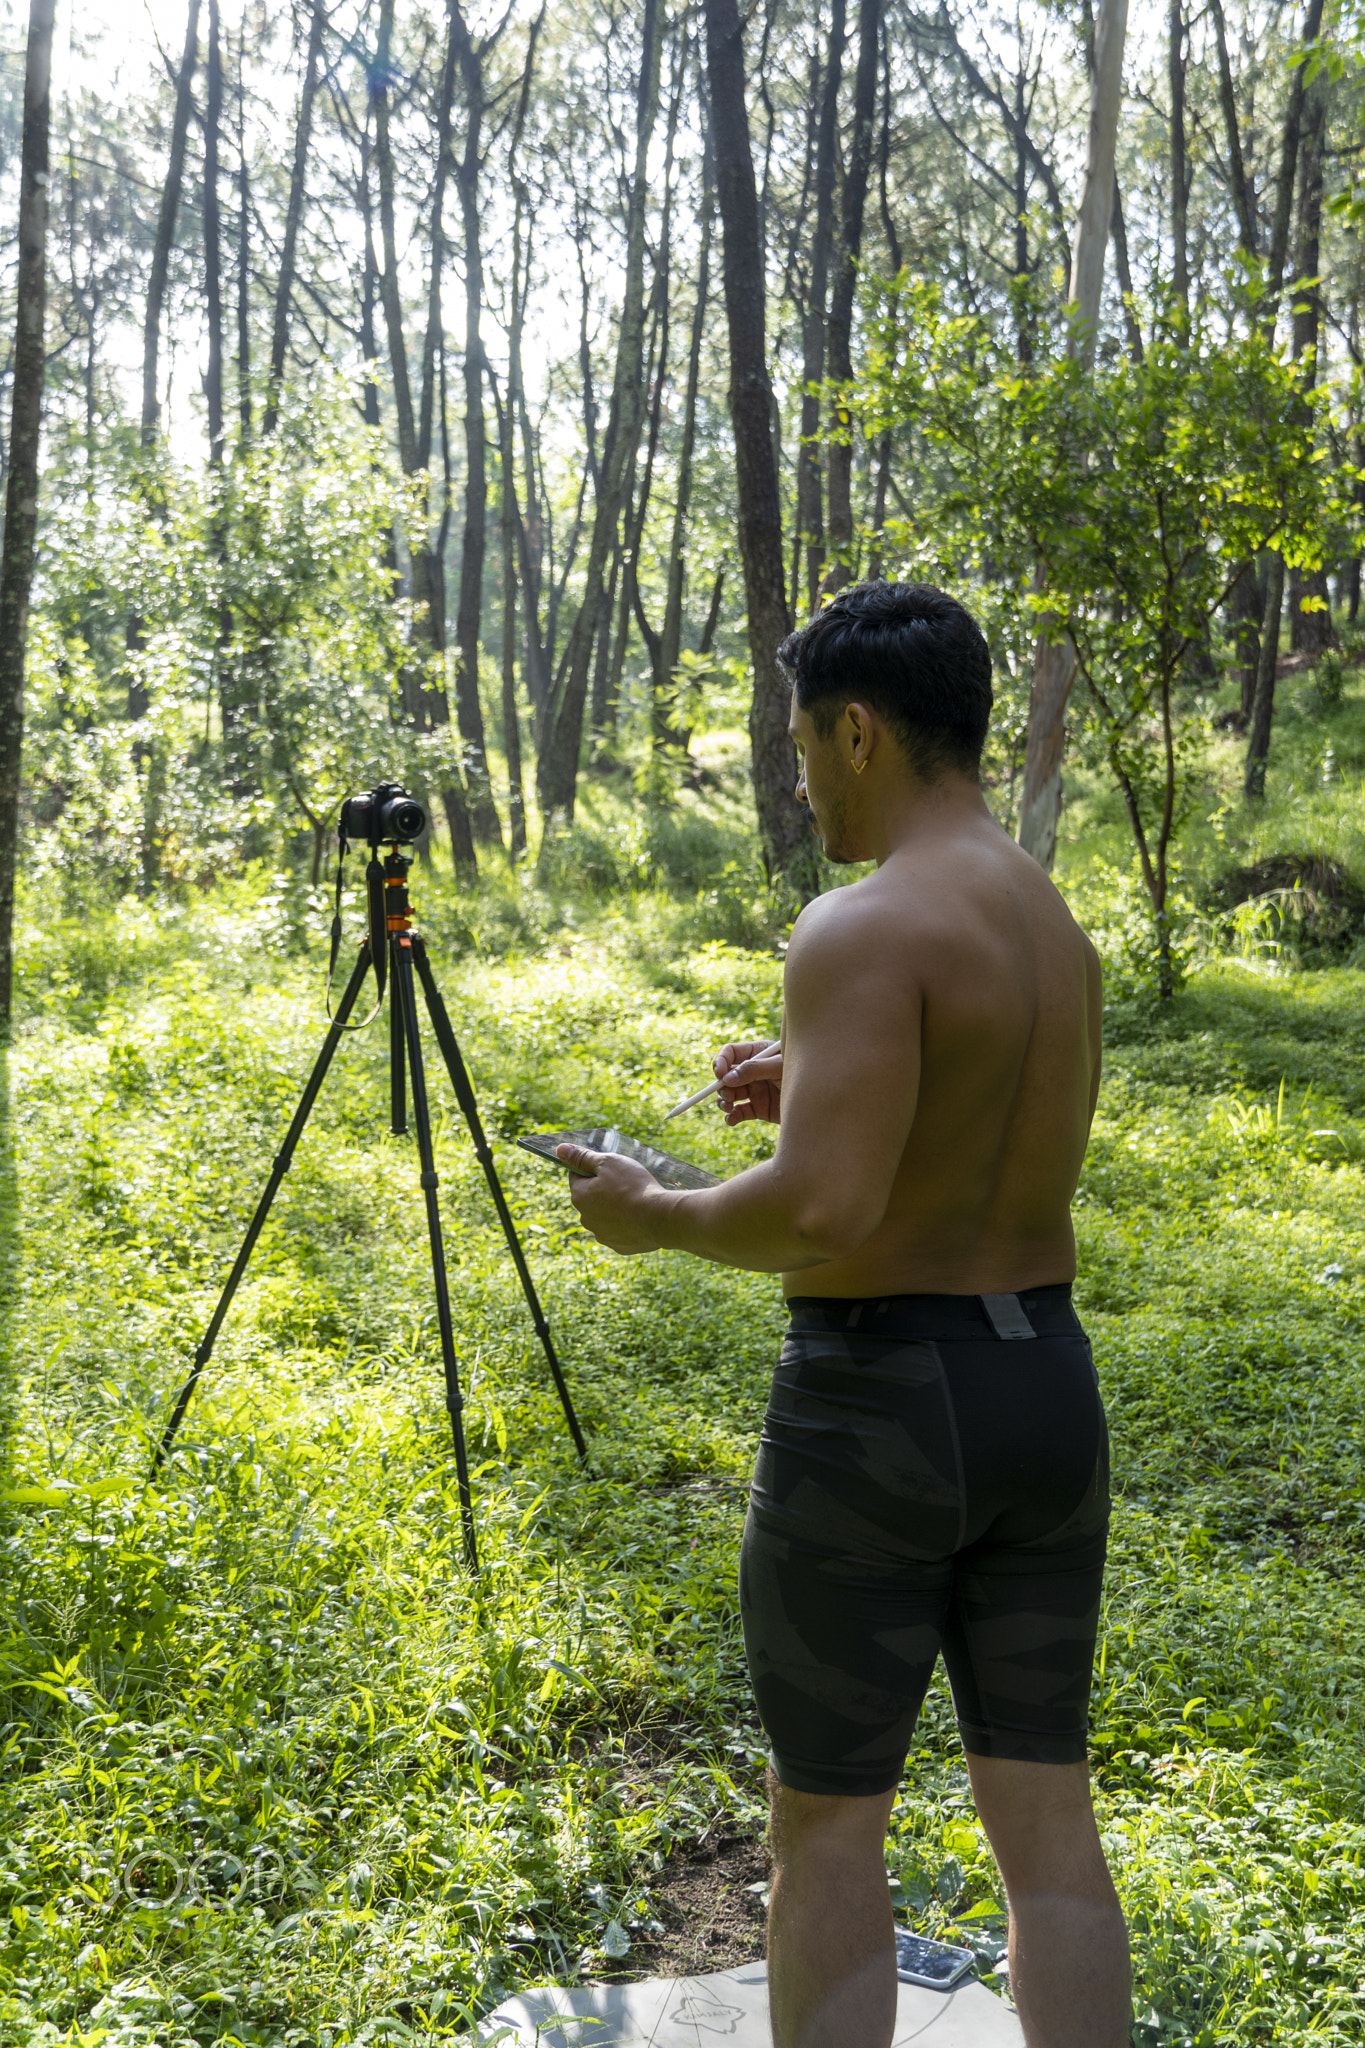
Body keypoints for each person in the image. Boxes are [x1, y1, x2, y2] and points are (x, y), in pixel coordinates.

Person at [555, 580, 1130, 2048]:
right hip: (1043, 1393)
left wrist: (654, 1216)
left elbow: (824, 1213)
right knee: (1047, 1829)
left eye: (801, 741)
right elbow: (957, 1131)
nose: (798, 773)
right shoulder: (1052, 923)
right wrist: (809, 1088)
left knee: (826, 1830)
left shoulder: (858, 924)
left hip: (876, 1407)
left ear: (858, 730)